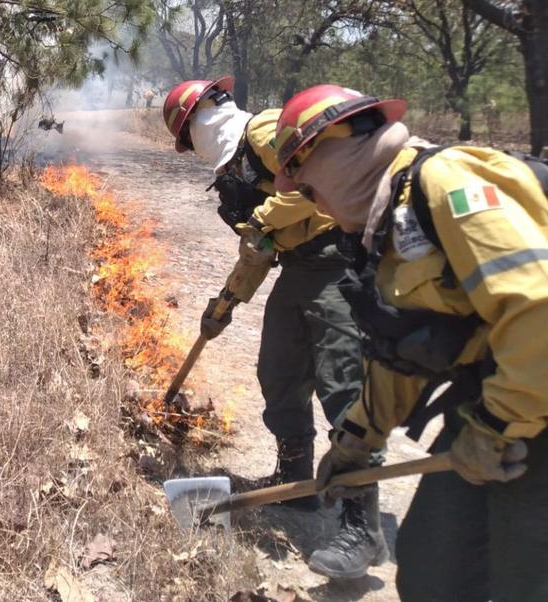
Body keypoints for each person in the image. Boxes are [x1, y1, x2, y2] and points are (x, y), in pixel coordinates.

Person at [275, 84, 548, 601]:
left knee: (525, 580)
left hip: (528, 402)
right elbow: (404, 350)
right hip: (498, 401)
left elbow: (539, 307)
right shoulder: (389, 225)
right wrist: (357, 440)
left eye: (306, 183)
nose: (315, 204)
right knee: (430, 569)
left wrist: (495, 428)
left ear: (334, 152)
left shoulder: (446, 181)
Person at [162, 78, 386, 578]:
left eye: (189, 131)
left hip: (338, 261)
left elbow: (314, 189)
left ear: (199, 120)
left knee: (341, 383)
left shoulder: (264, 130)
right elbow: (260, 251)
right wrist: (226, 303)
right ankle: (295, 475)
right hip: (299, 266)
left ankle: (360, 523)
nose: (194, 141)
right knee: (278, 369)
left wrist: (262, 218)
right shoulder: (231, 176)